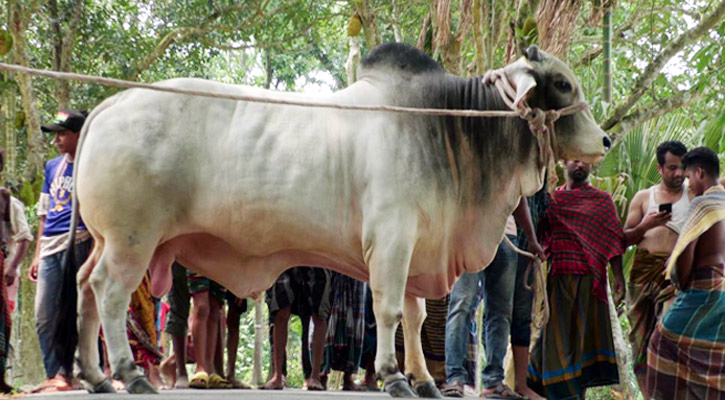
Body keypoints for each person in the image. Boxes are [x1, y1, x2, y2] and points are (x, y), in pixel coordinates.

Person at [527, 159, 626, 399]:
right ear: (564, 163)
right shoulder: (552, 200)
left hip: (590, 284)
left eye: (585, 160)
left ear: (592, 166)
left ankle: (575, 396)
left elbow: (614, 238)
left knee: (582, 346)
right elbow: (537, 234)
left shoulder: (602, 201)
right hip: (558, 282)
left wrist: (619, 277)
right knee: (552, 346)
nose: (580, 164)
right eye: (574, 159)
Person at [442, 197, 544, 399]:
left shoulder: (512, 164)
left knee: (501, 311)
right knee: (463, 303)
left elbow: (519, 197)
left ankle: (494, 381)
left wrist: (532, 240)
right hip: (468, 232)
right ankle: (455, 377)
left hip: (506, 236)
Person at [646, 147, 725, 399]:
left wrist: (680, 283)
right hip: (723, 292)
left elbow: (685, 256)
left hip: (704, 288)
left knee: (661, 342)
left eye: (689, 176)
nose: (688, 184)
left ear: (700, 173)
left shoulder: (702, 203)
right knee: (714, 359)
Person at [29, 109, 92, 392]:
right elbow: (43, 213)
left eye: (63, 133)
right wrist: (36, 252)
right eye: (55, 134)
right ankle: (54, 372)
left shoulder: (92, 165)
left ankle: (75, 371)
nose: (57, 139)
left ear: (80, 135)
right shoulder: (52, 166)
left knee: (76, 310)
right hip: (49, 245)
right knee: (44, 313)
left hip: (79, 240)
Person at [622, 141, 691, 393]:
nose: (679, 173)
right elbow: (623, 239)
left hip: (676, 274)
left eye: (683, 167)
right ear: (660, 168)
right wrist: (645, 225)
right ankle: (650, 395)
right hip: (642, 273)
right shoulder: (643, 198)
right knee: (639, 341)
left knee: (668, 332)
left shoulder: (693, 194)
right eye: (672, 168)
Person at [262, 267, 331, 391]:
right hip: (285, 257)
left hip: (316, 256)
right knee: (281, 310)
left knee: (319, 314)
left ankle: (315, 376)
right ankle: (277, 376)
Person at [186, 271, 232, 389]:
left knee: (215, 308)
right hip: (198, 257)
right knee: (201, 306)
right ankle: (200, 367)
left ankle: (210, 369)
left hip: (221, 261)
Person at [321, 273, 366, 391]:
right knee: (323, 315)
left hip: (356, 271)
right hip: (331, 266)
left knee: (355, 321)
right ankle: (321, 374)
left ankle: (348, 377)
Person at [159, 262, 191, 389]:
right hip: (178, 255)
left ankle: (210, 370)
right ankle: (181, 372)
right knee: (178, 310)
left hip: (205, 254)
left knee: (209, 309)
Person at [224, 293, 252, 389]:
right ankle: (213, 371)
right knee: (213, 310)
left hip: (237, 282)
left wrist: (242, 290)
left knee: (234, 316)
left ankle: (230, 374)